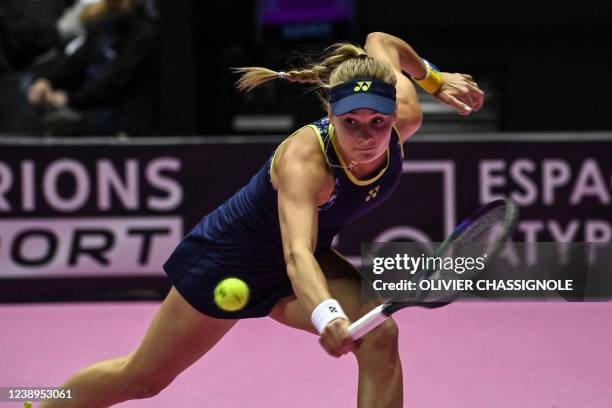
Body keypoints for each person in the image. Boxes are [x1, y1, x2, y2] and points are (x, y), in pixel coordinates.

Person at [40, 31, 483, 408]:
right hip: (229, 262)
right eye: (351, 122)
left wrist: (433, 79)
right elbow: (294, 254)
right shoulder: (305, 161)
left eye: (378, 122)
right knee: (140, 379)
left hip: (308, 258)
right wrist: (327, 315)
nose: (367, 136)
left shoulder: (405, 115)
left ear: (394, 114)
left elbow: (380, 42)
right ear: (329, 113)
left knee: (380, 336)